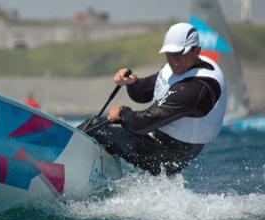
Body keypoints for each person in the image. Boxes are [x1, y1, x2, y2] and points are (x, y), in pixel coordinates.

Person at [84, 22, 226, 175]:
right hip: (157, 137)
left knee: (98, 126)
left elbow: (143, 123)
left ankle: (65, 161)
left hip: (170, 157)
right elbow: (143, 94)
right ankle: (97, 171)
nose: (174, 59)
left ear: (196, 51)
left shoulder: (195, 88)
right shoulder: (182, 67)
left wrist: (122, 112)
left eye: (180, 53)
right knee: (104, 127)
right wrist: (133, 82)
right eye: (169, 53)